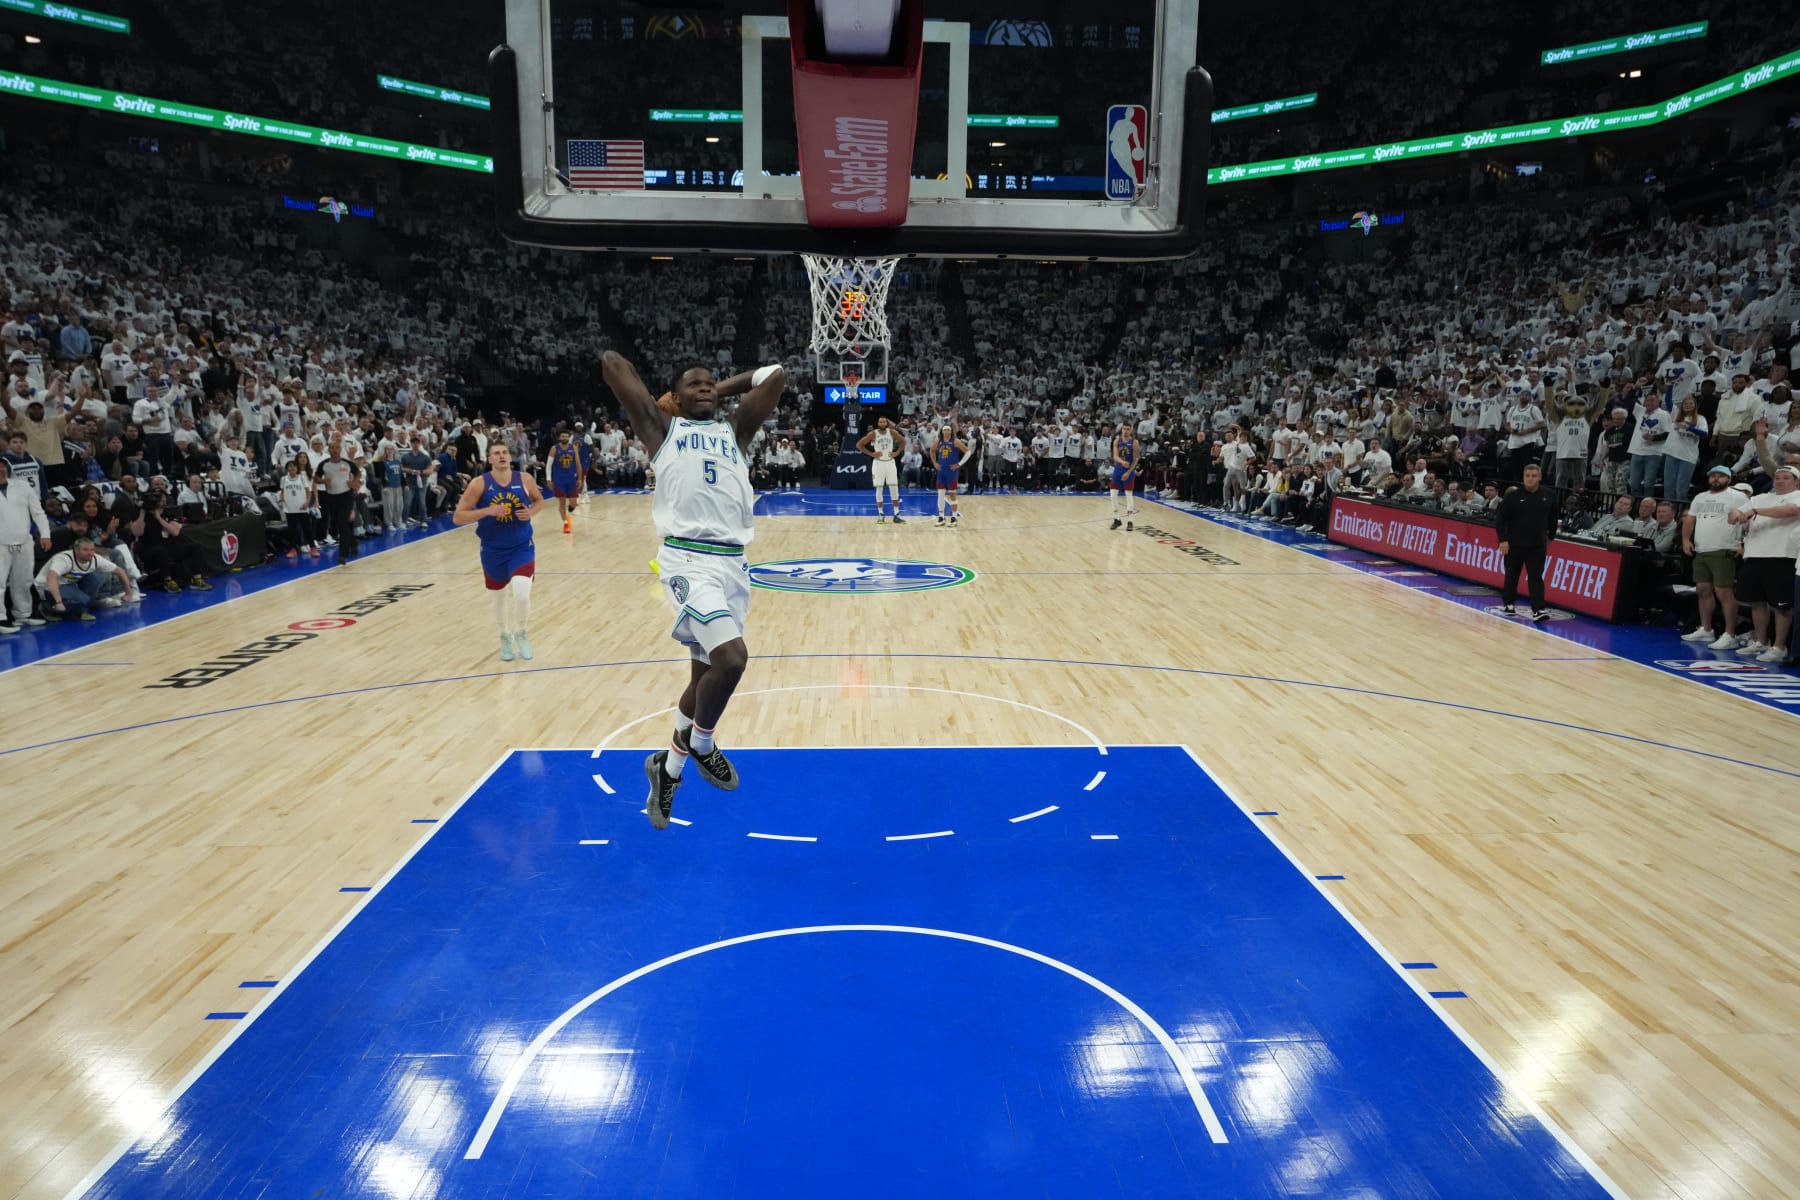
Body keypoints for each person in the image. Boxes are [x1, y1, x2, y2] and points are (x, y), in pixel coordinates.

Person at [601, 350, 787, 830]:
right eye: (695, 384)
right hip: (688, 559)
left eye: (711, 384)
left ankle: (668, 770)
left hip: (733, 563)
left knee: (702, 680)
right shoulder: (662, 433)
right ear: (676, 397)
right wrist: (663, 403)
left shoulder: (736, 432)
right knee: (732, 659)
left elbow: (774, 375)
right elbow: (612, 362)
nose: (705, 388)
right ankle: (702, 746)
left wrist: (717, 387)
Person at [453, 442, 545, 662]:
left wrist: (531, 512)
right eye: (497, 453)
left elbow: (540, 500)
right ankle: (504, 635)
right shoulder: (479, 484)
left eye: (504, 452)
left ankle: (521, 632)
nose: (502, 456)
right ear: (489, 459)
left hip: (522, 547)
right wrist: (488, 511)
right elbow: (458, 517)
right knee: (499, 597)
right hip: (493, 549)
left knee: (522, 593)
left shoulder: (525, 479)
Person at [1725, 465, 1800, 663]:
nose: (1780, 481)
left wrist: (1754, 511)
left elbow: (1790, 510)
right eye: (1778, 477)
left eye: (1786, 478)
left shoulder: (1796, 496)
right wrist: (1736, 514)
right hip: (1754, 554)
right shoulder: (1759, 498)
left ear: (1796, 481)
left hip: (1781, 556)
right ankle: (1761, 641)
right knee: (1756, 602)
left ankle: (1779, 646)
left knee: (1780, 606)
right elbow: (1734, 514)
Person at [1680, 466, 1752, 649]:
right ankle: (1706, 629)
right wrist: (1685, 539)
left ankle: (1730, 634)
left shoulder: (1738, 496)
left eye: (1721, 476)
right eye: (1713, 476)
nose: (1716, 479)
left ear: (1728, 479)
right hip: (1702, 549)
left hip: (1724, 548)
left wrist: (1745, 544)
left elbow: (1749, 520)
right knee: (1702, 590)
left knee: (1723, 592)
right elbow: (1690, 518)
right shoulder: (1700, 497)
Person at [1495, 463, 1557, 621]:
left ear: (1540, 477)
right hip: (1514, 544)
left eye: (1534, 476)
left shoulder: (1548, 495)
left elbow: (1553, 517)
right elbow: (1501, 519)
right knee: (1511, 575)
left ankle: (1538, 610)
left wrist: (1551, 535)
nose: (1530, 479)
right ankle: (1508, 603)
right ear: (1523, 477)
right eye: (1527, 476)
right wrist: (1503, 539)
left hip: (1537, 546)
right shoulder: (1513, 496)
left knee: (1536, 577)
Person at [0, 456, 52, 632]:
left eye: (2, 466)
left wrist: (45, 534)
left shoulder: (22, 486)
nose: (0, 469)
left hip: (24, 540)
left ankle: (23, 613)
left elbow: (38, 512)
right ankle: (1, 619)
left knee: (23, 580)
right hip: (1, 542)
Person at [35, 536, 135, 620]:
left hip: (70, 585)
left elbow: (120, 571)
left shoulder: (95, 558)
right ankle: (47, 607)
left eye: (92, 550)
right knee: (83, 601)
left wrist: (128, 593)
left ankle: (81, 606)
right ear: (76, 550)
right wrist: (59, 602)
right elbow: (51, 578)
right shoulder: (64, 559)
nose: (90, 553)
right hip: (48, 587)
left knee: (98, 576)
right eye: (85, 550)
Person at [855, 415, 907, 524]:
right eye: (880, 422)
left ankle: (896, 514)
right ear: (878, 423)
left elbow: (903, 442)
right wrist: (871, 454)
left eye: (884, 422)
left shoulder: (892, 432)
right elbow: (859, 445)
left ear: (886, 423)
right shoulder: (873, 434)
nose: (882, 423)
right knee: (879, 488)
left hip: (890, 462)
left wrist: (896, 453)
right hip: (878, 463)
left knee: (894, 488)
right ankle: (881, 514)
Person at [546, 429, 584, 534]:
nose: (564, 438)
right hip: (559, 479)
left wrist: (580, 478)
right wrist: (549, 479)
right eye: (562, 436)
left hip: (571, 479)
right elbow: (548, 465)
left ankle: (567, 513)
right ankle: (565, 523)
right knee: (562, 502)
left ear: (569, 438)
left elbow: (578, 464)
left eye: (566, 436)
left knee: (574, 503)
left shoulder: (573, 448)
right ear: (559, 438)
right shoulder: (554, 449)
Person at [279, 459, 319, 558]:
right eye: (290, 466)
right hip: (290, 508)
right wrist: (281, 500)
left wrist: (307, 502)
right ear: (287, 469)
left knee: (307, 529)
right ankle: (293, 549)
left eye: (294, 466)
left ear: (297, 468)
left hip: (301, 507)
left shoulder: (301, 478)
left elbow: (308, 491)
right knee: (292, 530)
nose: (292, 468)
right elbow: (282, 492)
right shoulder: (284, 479)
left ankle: (313, 547)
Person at [931, 424, 969, 527]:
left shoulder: (955, 441)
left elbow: (968, 452)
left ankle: (954, 518)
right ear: (942, 432)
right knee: (940, 495)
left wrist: (959, 464)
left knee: (952, 494)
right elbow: (932, 451)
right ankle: (941, 517)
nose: (947, 431)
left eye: (948, 430)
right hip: (941, 470)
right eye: (945, 430)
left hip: (951, 471)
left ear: (951, 431)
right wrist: (935, 463)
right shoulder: (938, 441)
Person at [1110, 420, 1141, 531]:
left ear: (1131, 430)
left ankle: (1130, 521)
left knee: (1129, 495)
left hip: (1129, 471)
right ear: (1121, 429)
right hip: (1118, 469)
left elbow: (1136, 459)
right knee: (1113, 495)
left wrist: (1128, 472)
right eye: (1124, 429)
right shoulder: (1117, 441)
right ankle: (1117, 519)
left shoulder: (1134, 442)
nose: (1126, 431)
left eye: (1128, 429)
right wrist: (1122, 462)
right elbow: (1115, 456)